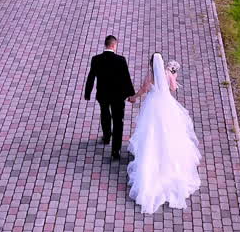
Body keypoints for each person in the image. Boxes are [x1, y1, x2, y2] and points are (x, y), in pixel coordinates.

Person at [126, 53, 202, 214]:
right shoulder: (167, 74)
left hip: (153, 105)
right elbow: (173, 88)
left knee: (151, 133)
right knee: (171, 132)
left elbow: (144, 89)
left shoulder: (150, 75)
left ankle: (151, 158)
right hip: (167, 105)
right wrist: (173, 75)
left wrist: (134, 97)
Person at [84, 35, 135, 160]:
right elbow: (126, 78)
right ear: (113, 45)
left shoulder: (96, 59)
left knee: (105, 114)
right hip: (118, 96)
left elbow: (91, 77)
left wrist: (87, 93)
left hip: (103, 95)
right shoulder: (121, 60)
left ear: (106, 45)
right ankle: (115, 151)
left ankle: (106, 137)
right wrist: (131, 94)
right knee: (118, 122)